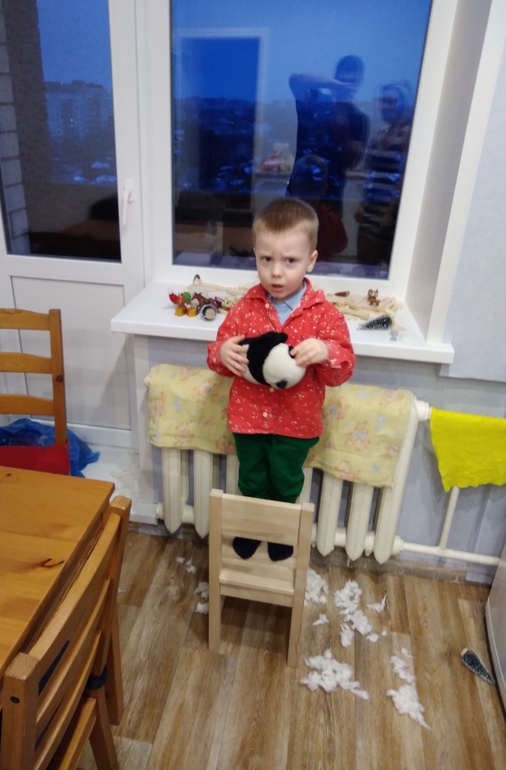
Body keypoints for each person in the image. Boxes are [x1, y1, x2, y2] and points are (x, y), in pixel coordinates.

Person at [207, 197, 355, 561]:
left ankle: (279, 534)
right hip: (249, 421)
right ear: (255, 255)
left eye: (290, 261)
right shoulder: (244, 309)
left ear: (311, 261)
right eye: (266, 259)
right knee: (251, 479)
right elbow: (218, 356)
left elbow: (343, 369)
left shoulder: (324, 316)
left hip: (296, 425)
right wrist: (222, 352)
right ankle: (251, 529)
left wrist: (325, 351)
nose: (276, 272)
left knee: (287, 482)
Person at [288, 55, 369, 217]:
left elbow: (352, 162)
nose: (346, 86)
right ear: (334, 78)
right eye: (342, 80)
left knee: (328, 233)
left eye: (351, 82)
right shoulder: (315, 100)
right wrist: (336, 86)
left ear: (358, 84)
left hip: (331, 195)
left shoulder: (359, 117)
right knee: (291, 232)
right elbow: (295, 79)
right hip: (298, 190)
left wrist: (343, 134)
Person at [355, 82, 413, 265]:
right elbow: (371, 172)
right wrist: (362, 203)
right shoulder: (381, 132)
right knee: (365, 258)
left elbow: (404, 177)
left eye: (390, 102)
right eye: (382, 101)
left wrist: (390, 212)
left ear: (403, 104)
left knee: (387, 261)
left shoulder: (409, 133)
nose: (384, 106)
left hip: (390, 210)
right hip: (371, 208)